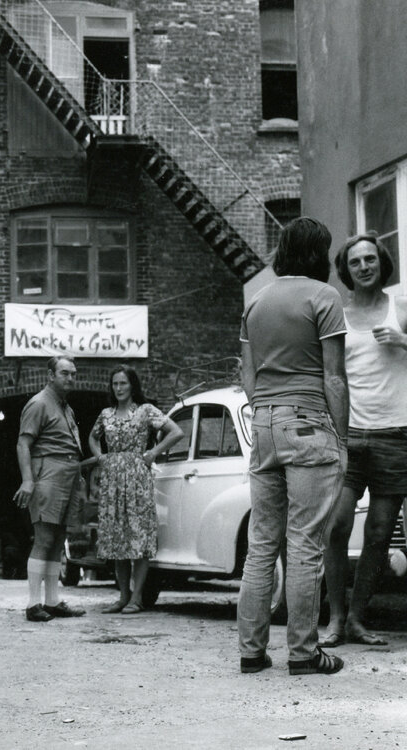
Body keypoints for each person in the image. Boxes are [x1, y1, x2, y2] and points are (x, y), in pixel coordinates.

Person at [237, 216, 348, 676]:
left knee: (262, 543)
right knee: (304, 544)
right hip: (308, 423)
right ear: (317, 253)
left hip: (262, 422)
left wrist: (267, 409)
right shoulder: (324, 297)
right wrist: (341, 439)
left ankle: (251, 651)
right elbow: (334, 377)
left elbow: (246, 374)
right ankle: (303, 653)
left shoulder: (256, 301)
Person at [321, 232, 407, 647]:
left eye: (370, 259)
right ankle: (335, 620)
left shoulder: (401, 305)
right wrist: (334, 433)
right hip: (350, 435)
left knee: (378, 534)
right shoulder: (337, 314)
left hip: (396, 435)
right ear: (346, 269)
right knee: (336, 527)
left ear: (381, 262)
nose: (364, 266)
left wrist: (405, 341)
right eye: (355, 262)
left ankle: (357, 618)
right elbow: (331, 375)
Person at [88, 365, 184, 614]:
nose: (118, 388)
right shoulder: (106, 414)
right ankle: (123, 596)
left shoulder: (145, 411)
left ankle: (137, 598)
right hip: (112, 481)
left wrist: (153, 452)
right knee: (118, 540)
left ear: (132, 385)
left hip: (137, 480)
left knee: (138, 538)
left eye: (123, 383)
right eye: (115, 384)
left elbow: (176, 431)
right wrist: (100, 457)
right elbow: (92, 437)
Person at [13, 355, 88, 622]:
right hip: (48, 475)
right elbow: (23, 444)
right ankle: (33, 604)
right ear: (51, 375)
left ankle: (52, 601)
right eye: (65, 373)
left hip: (68, 475)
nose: (70, 378)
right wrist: (28, 480)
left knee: (57, 540)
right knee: (44, 538)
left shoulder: (65, 407)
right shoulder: (39, 403)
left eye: (73, 373)